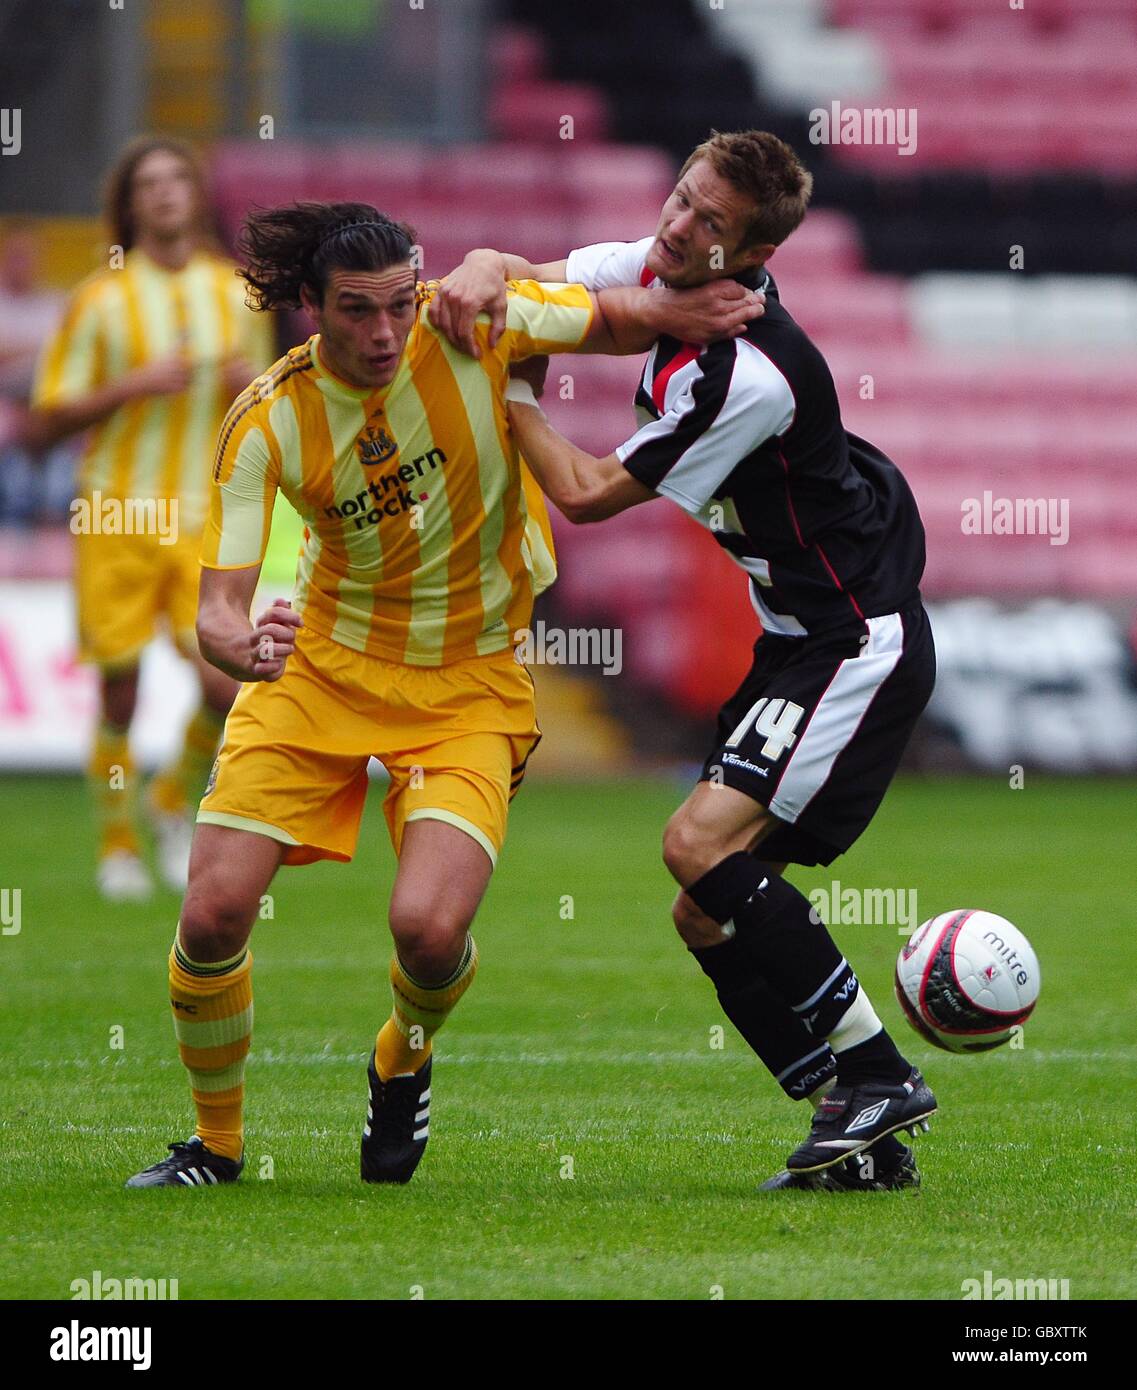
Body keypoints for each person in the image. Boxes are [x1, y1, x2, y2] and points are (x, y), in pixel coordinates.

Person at [122, 199, 763, 1188]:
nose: (384, 334)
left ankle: (404, 1056)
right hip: (323, 668)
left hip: (469, 677)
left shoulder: (469, 321)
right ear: (308, 308)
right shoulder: (266, 419)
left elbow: (609, 317)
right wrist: (241, 648)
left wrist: (701, 308)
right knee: (210, 913)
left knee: (427, 929)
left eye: (395, 305)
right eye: (355, 312)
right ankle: (214, 1145)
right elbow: (219, 608)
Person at [445, 129, 938, 1192]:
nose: (676, 227)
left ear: (748, 257)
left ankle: (880, 1072)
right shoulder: (664, 268)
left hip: (854, 644)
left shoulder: (744, 376)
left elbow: (580, 495)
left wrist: (513, 391)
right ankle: (858, 1137)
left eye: (708, 223)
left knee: (695, 845)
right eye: (679, 199)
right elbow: (538, 284)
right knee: (704, 904)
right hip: (797, 638)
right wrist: (485, 267)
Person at [30, 137, 273, 901]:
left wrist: (250, 388)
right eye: (150, 184)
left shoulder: (237, 294)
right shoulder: (100, 300)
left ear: (197, 196)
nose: (166, 193)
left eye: (178, 180)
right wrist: (131, 384)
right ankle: (118, 846)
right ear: (130, 205)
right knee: (121, 692)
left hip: (207, 517)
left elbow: (272, 408)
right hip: (116, 515)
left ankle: (170, 801)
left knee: (222, 686)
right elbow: (41, 423)